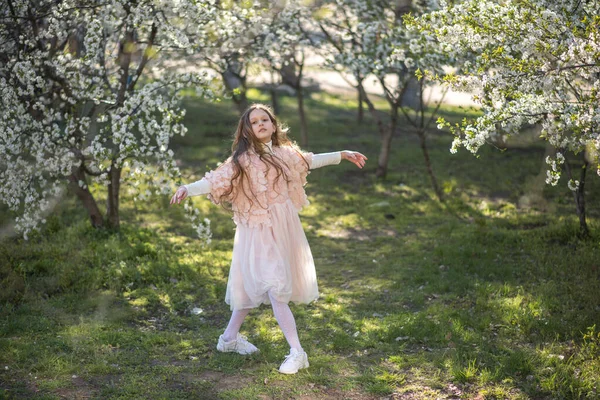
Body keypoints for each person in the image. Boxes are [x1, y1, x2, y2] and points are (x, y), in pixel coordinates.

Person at [170, 104, 367, 374]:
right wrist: (187, 189)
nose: (261, 124)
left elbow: (310, 159)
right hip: (258, 230)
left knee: (257, 287)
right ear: (247, 130)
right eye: (254, 121)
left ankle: (228, 340)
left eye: (265, 120)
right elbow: (216, 180)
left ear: (274, 126)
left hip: (283, 227)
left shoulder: (285, 154)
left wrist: (342, 154)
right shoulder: (242, 160)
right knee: (275, 288)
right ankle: (297, 352)